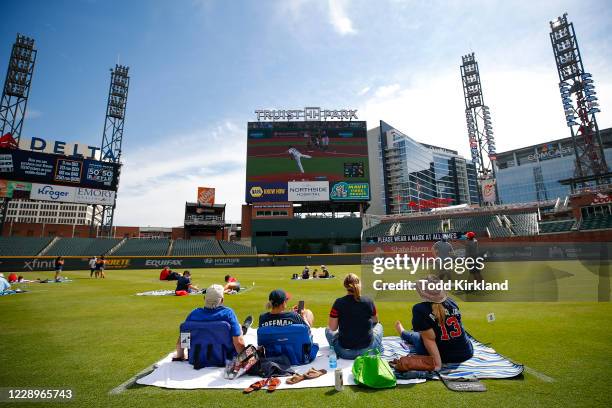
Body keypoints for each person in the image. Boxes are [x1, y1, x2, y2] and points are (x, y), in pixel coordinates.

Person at [394, 275, 473, 370]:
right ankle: (405, 332)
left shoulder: (419, 309)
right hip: (467, 352)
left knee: (416, 336)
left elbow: (430, 340)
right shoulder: (452, 302)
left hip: (444, 357)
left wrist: (437, 365)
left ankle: (402, 332)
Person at [173, 284, 252, 361]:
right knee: (239, 329)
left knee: (238, 329)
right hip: (225, 357)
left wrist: (181, 355)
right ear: (222, 300)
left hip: (197, 357)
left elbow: (183, 340)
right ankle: (243, 329)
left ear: (204, 298)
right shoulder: (228, 314)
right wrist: (245, 360)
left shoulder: (193, 314)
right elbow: (238, 342)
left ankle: (243, 328)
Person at [326, 273, 383, 360]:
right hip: (367, 351)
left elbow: (333, 328)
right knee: (379, 326)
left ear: (345, 285)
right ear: (359, 284)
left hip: (344, 352)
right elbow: (376, 321)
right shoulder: (368, 301)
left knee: (327, 330)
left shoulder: (338, 302)